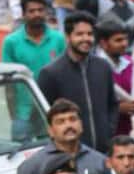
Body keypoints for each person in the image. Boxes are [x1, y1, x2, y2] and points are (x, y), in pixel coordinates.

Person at [37, 11, 121, 154]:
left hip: (102, 151)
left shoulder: (103, 67)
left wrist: (108, 130)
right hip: (68, 153)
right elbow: (43, 117)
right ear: (68, 37)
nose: (86, 38)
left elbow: (112, 104)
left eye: (89, 34)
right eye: (79, 34)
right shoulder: (51, 73)